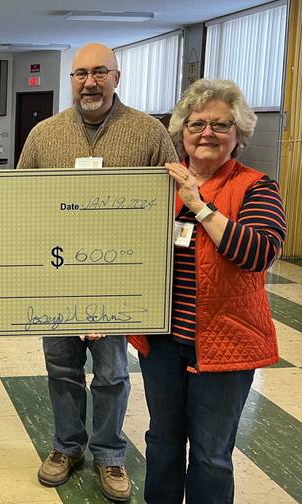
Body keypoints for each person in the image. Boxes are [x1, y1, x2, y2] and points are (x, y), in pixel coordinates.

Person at [17, 42, 178, 502]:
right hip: (57, 279)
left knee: (111, 375)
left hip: (119, 281)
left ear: (117, 77)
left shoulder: (149, 133)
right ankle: (67, 447)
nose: (90, 82)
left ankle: (110, 454)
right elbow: (19, 204)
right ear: (71, 80)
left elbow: (169, 208)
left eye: (100, 72)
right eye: (80, 73)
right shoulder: (44, 135)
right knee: (61, 368)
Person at [129, 79, 286, 504]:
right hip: (161, 342)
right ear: (182, 131)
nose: (207, 133)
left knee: (211, 455)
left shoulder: (256, 186)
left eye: (221, 125)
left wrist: (199, 205)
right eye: (197, 123)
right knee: (161, 441)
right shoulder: (156, 186)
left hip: (226, 343)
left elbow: (258, 251)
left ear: (239, 134)